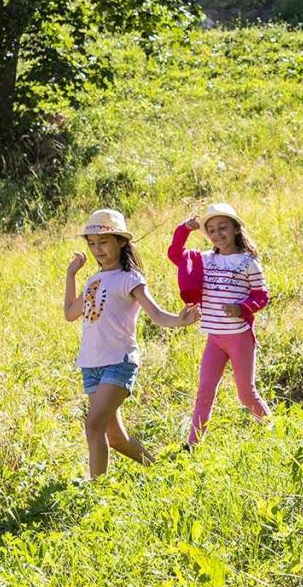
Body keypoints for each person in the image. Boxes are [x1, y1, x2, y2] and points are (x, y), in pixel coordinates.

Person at [64, 208, 200, 477]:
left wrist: (179, 320)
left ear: (121, 241)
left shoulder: (130, 279)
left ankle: (97, 492)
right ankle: (162, 472)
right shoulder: (93, 280)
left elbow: (156, 314)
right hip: (91, 365)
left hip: (118, 362)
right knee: (116, 438)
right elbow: (70, 313)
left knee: (93, 426)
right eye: (92, 244)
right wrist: (71, 275)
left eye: (103, 242)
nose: (97, 250)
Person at [167, 203, 271, 446]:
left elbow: (261, 295)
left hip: (239, 338)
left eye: (223, 227)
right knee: (204, 392)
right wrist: (184, 229)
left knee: (246, 394)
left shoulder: (248, 262)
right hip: (214, 338)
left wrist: (243, 308)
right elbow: (175, 254)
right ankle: (193, 444)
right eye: (211, 230)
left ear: (236, 229)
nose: (217, 234)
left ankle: (272, 428)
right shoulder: (204, 260)